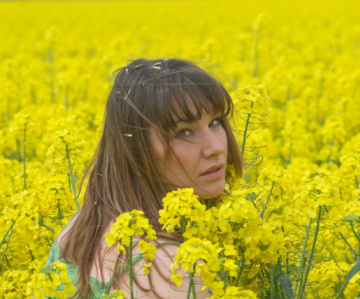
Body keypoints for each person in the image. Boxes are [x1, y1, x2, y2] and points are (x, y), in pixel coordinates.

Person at [45, 58, 243, 298]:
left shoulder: (80, 229)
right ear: (136, 151)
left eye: (215, 122)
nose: (215, 147)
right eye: (184, 132)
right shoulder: (175, 274)